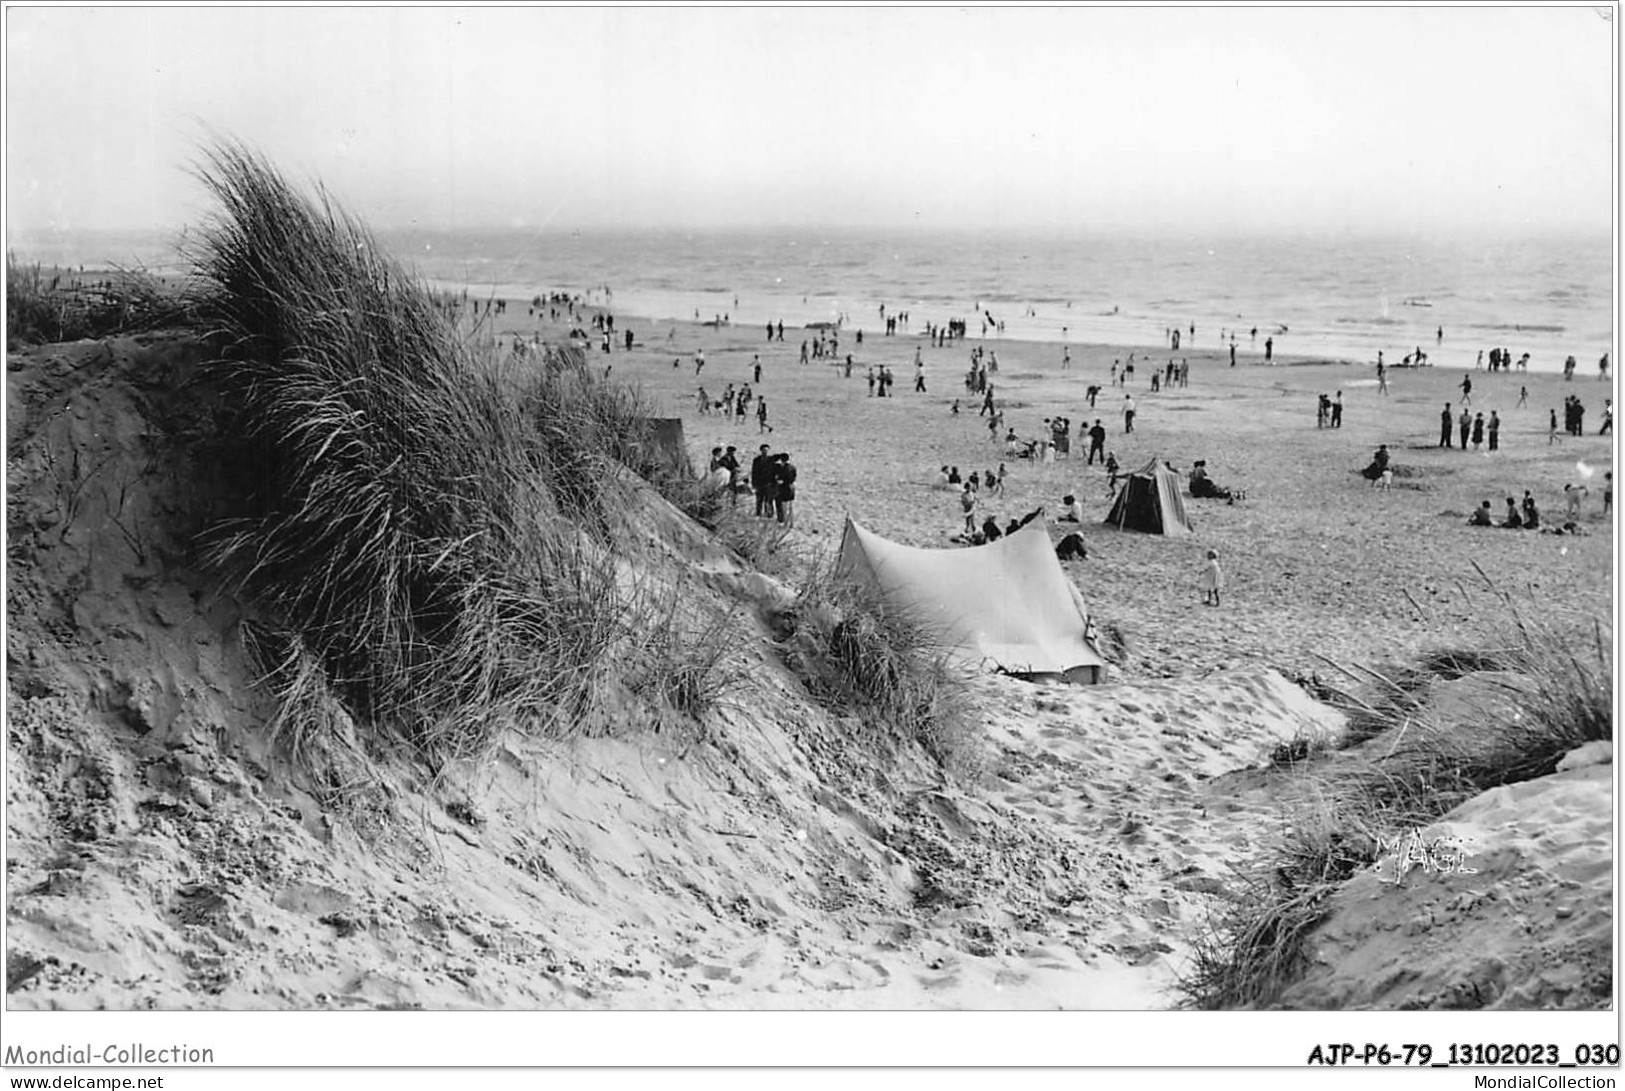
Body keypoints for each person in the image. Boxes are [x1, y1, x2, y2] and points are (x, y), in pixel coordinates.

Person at [772, 453, 797, 527]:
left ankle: (785, 524)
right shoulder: (792, 467)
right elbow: (793, 478)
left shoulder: (783, 468)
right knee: (791, 507)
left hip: (784, 489)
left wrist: (781, 481)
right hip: (791, 488)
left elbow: (785, 479)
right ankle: (791, 523)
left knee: (784, 508)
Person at [750, 444, 774, 517]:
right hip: (759, 483)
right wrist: (753, 483)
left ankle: (769, 514)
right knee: (759, 500)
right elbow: (754, 472)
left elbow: (774, 471)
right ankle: (758, 513)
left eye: (766, 450)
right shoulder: (756, 460)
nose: (765, 452)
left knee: (769, 500)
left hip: (768, 483)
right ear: (761, 451)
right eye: (764, 450)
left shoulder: (771, 460)